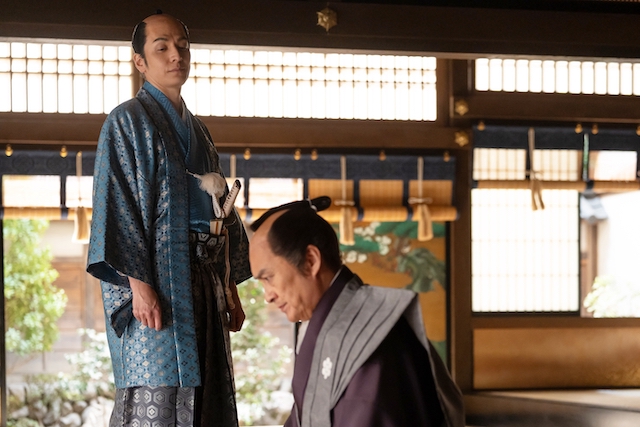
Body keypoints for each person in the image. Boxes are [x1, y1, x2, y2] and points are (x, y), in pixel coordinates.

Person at [86, 12, 251, 427]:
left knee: (209, 394)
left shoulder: (201, 132)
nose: (176, 55)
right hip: (156, 283)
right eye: (162, 47)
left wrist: (230, 286)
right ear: (140, 61)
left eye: (182, 46)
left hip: (206, 282)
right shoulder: (125, 121)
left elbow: (221, 212)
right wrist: (139, 286)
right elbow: (117, 206)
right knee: (157, 391)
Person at [249, 197, 465, 427]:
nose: (268, 295)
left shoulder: (368, 342)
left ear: (310, 261)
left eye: (268, 278)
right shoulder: (326, 329)